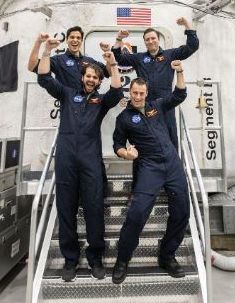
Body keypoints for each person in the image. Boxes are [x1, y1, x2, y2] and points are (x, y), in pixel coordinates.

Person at [37, 39, 123, 282]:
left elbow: (116, 91)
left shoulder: (101, 102)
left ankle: (95, 258)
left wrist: (112, 63)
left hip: (90, 162)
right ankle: (70, 259)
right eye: (88, 76)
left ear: (98, 81)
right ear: (82, 77)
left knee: (95, 209)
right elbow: (44, 78)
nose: (91, 80)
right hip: (66, 160)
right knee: (66, 210)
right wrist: (46, 51)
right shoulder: (66, 94)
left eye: (96, 78)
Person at [112, 60, 190, 284]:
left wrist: (180, 72)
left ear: (146, 93)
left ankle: (167, 256)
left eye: (141, 93)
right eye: (134, 92)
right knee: (136, 214)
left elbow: (179, 95)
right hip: (149, 166)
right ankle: (123, 259)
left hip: (172, 163)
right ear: (130, 92)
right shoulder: (124, 118)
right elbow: (116, 143)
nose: (138, 96)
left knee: (182, 211)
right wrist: (125, 154)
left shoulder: (157, 105)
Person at [28, 26, 110, 195]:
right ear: (67, 40)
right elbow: (32, 67)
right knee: (69, 158)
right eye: (72, 37)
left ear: (82, 40)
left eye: (78, 37)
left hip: (90, 110)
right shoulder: (59, 60)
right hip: (70, 109)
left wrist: (109, 53)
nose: (75, 40)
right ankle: (74, 193)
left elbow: (108, 71)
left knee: (93, 153)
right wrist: (39, 43)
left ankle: (99, 192)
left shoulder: (90, 62)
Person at [111, 17, 198, 150]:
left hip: (166, 105)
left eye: (153, 38)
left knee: (170, 138)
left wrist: (187, 24)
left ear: (158, 39)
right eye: (147, 39)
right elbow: (118, 58)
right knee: (146, 139)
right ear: (145, 42)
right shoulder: (139, 58)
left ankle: (173, 167)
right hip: (145, 106)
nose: (151, 41)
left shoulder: (171, 54)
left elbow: (192, 46)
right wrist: (119, 39)